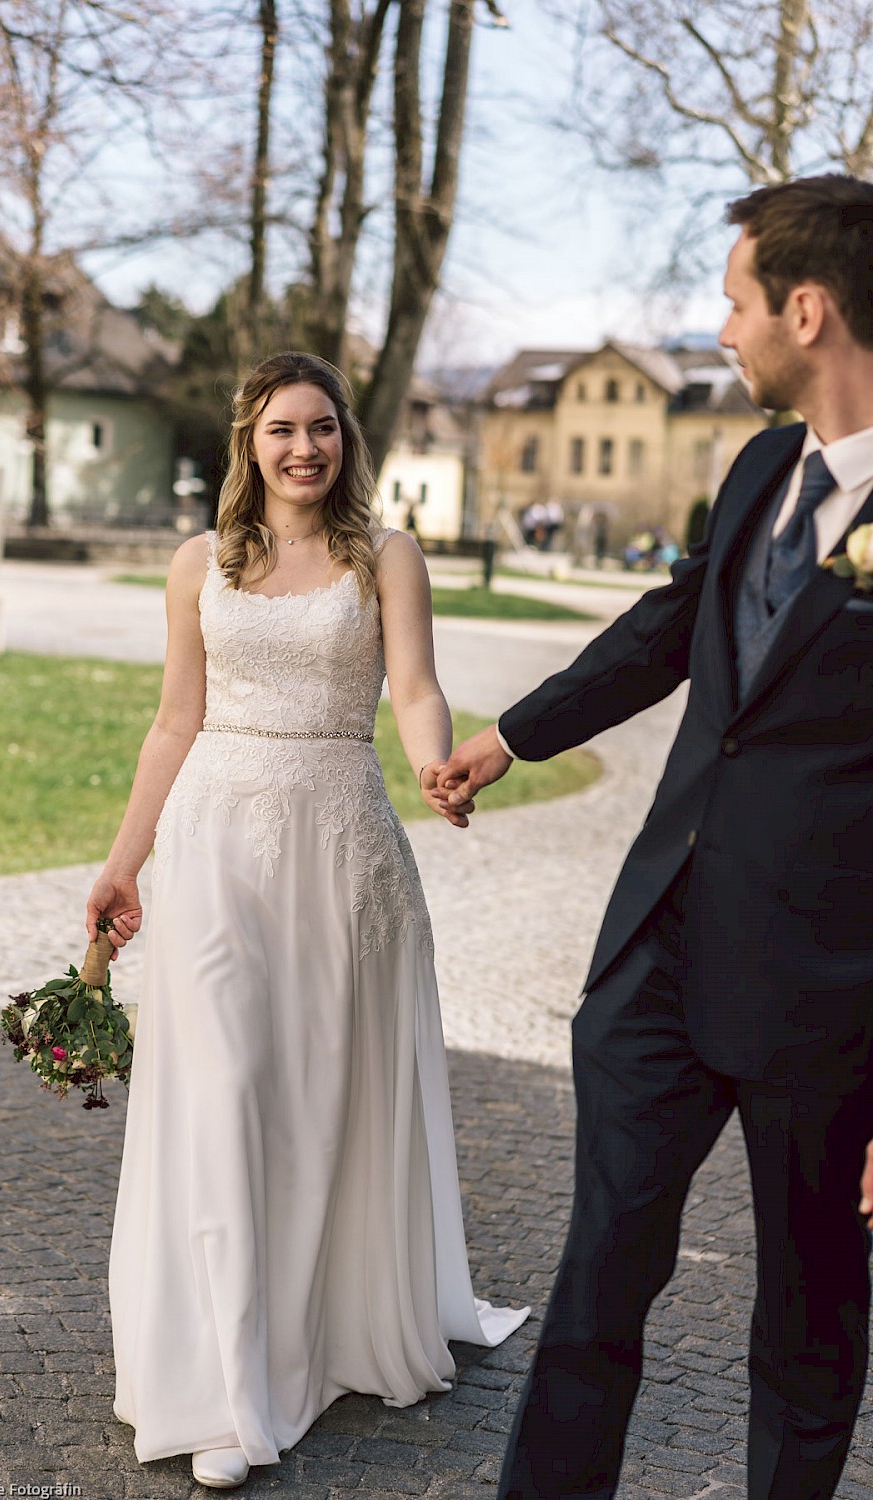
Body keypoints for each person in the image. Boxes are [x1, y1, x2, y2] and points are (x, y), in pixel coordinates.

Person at [438, 174, 873, 1500]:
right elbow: (672, 631)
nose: (721, 328)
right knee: (593, 1291)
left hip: (827, 1006)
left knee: (805, 1333)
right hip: (660, 965)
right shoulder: (755, 468)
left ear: (808, 310)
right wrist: (516, 733)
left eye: (736, 301)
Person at [86, 351, 528, 1490]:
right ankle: (226, 1384)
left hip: (340, 849)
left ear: (345, 440)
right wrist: (123, 862)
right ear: (248, 440)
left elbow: (418, 688)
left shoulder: (385, 556)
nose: (303, 448)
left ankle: (308, 1336)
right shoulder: (198, 564)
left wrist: (438, 768)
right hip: (212, 847)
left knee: (316, 1099)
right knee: (222, 1088)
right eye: (281, 428)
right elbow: (173, 721)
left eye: (322, 428)